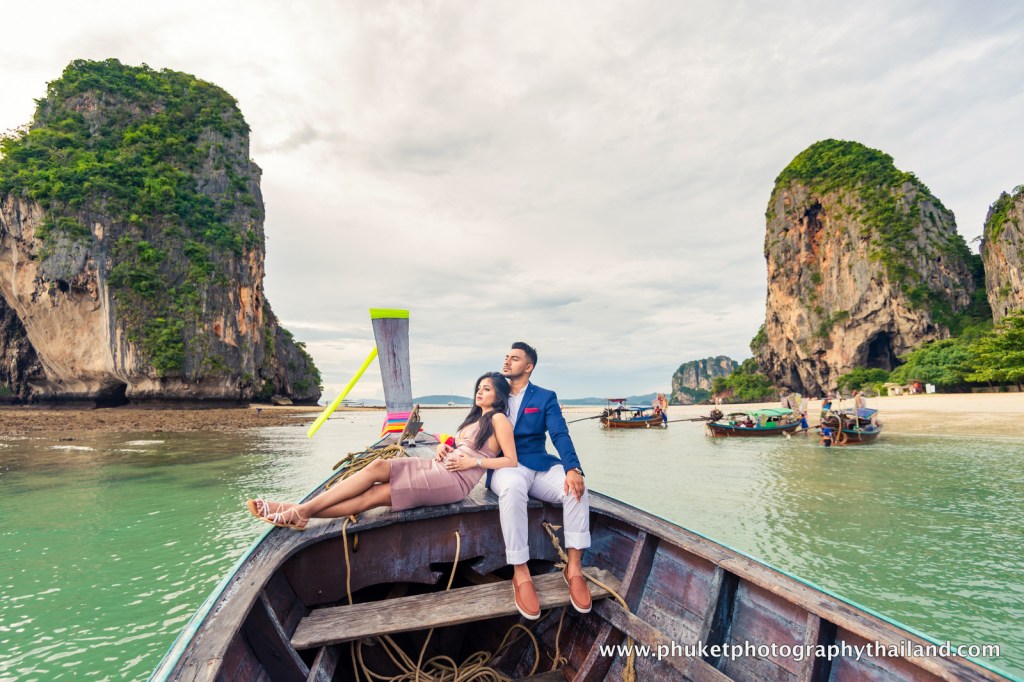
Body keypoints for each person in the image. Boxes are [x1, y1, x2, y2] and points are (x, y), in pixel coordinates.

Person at [246, 372, 518, 530]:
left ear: (500, 396)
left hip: (455, 483)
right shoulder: (474, 420)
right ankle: (298, 511)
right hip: (440, 468)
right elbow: (457, 446)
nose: (479, 392)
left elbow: (510, 460)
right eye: (479, 388)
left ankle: (297, 511)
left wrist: (474, 462)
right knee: (377, 468)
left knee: (377, 494)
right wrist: (442, 451)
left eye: (486, 389)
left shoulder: (498, 420)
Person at [482, 342, 591, 620]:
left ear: (528, 367)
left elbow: (560, 434)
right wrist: (448, 446)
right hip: (507, 465)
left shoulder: (545, 397)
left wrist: (573, 467)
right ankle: (521, 572)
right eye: (506, 356)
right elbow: (474, 425)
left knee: (576, 488)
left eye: (514, 358)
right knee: (513, 487)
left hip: (539, 464)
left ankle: (574, 569)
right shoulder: (496, 395)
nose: (507, 361)